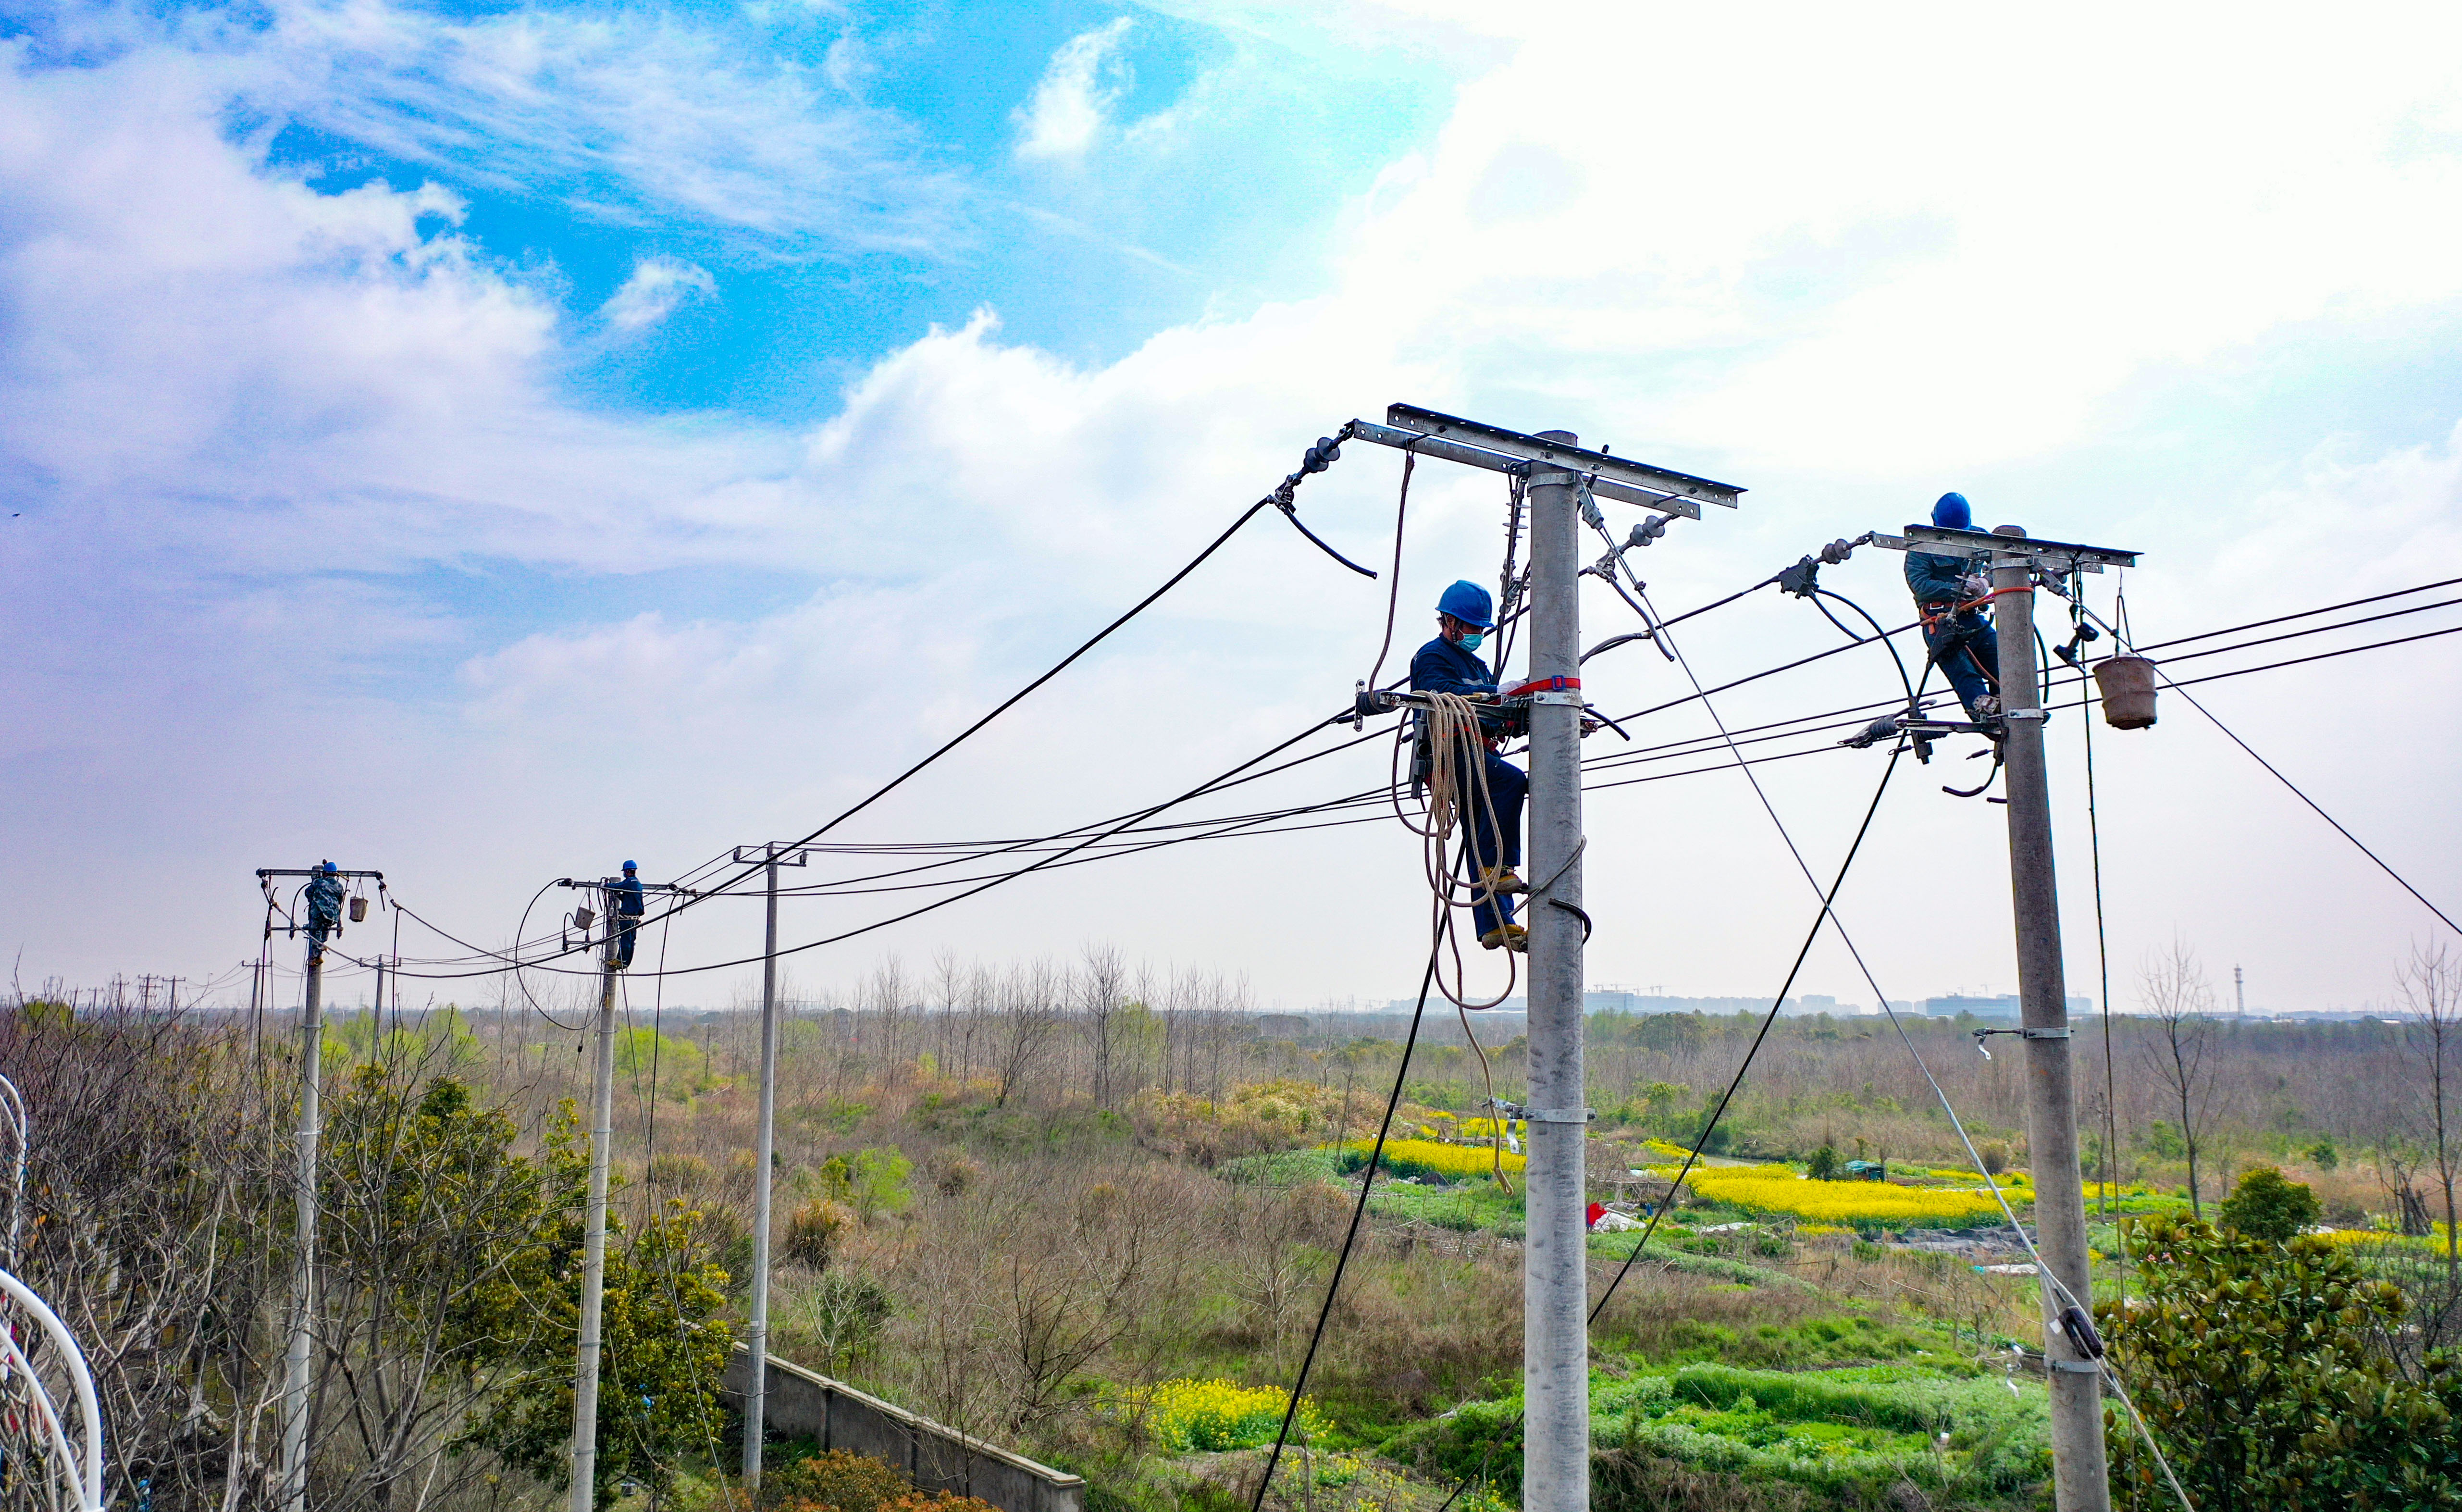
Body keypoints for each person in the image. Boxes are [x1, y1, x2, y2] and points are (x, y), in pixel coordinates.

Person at [1410, 580, 1529, 952]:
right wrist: (1495, 693)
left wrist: (1517, 709)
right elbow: (1441, 696)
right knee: (1510, 782)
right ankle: (1500, 869)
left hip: (1478, 752)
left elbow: (1491, 713)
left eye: (1480, 629)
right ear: (1448, 621)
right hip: (1449, 754)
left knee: (1482, 833)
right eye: (1471, 628)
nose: (1476, 635)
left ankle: (1495, 924)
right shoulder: (1432, 657)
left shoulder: (1476, 664)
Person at [1905, 492, 2001, 721]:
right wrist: (1960, 588)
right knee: (1964, 672)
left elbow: (2004, 562)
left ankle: (2011, 705)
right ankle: (1983, 711)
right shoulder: (1922, 546)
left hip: (1972, 618)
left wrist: (1986, 581)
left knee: (2002, 657)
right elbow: (1920, 585)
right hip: (1940, 622)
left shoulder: (1977, 538)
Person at [304, 861, 345, 955]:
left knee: (316, 933)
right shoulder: (339, 886)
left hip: (319, 914)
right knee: (325, 931)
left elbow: (308, 892)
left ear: (325, 873)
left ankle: (316, 957)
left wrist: (313, 899)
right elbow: (340, 900)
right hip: (332, 916)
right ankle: (321, 945)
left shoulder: (318, 882)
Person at [610, 860, 645, 970]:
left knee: (625, 940)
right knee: (630, 940)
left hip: (627, 918)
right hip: (633, 918)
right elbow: (629, 899)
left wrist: (605, 885)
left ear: (629, 871)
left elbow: (617, 886)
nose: (625, 873)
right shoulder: (636, 883)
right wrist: (620, 896)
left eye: (625, 871)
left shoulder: (630, 882)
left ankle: (621, 961)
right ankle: (624, 962)